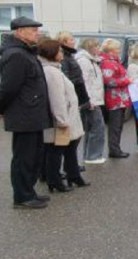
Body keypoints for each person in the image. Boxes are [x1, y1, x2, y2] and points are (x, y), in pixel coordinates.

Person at [0, 17, 53, 209]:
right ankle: (22, 196)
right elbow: (9, 88)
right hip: (24, 114)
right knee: (24, 157)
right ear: (19, 32)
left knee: (34, 155)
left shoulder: (25, 52)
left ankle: (29, 191)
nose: (37, 33)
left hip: (32, 113)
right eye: (32, 30)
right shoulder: (16, 55)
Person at [38, 40, 88, 192]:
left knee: (70, 147)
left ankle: (73, 175)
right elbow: (56, 98)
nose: (62, 54)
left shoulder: (55, 69)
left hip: (67, 114)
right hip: (61, 118)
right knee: (56, 151)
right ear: (52, 53)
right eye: (59, 51)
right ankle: (54, 180)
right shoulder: (51, 72)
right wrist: (62, 120)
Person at [76, 38, 107, 164]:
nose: (99, 49)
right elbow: (85, 82)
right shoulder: (84, 61)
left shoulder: (92, 61)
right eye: (96, 47)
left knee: (92, 127)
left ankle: (89, 155)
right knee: (97, 127)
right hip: (92, 100)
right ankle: (93, 155)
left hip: (94, 99)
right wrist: (89, 100)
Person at [100, 38, 132, 158]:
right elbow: (109, 81)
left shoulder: (115, 61)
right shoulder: (108, 62)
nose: (119, 51)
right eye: (117, 49)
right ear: (111, 50)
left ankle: (116, 148)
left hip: (120, 98)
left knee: (118, 125)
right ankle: (114, 149)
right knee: (115, 125)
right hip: (115, 99)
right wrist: (127, 80)